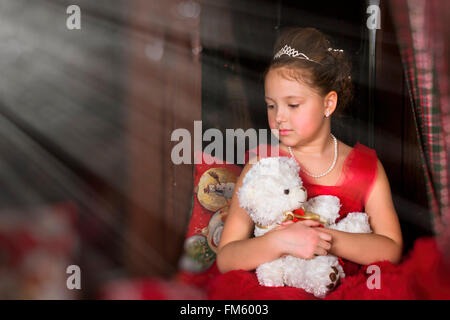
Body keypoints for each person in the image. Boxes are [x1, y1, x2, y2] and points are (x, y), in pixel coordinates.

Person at [211, 27, 403, 299]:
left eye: (293, 104)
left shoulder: (365, 168)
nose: (279, 117)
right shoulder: (262, 165)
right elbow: (227, 256)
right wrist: (279, 241)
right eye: (271, 105)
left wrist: (325, 239)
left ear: (328, 104)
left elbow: (391, 248)